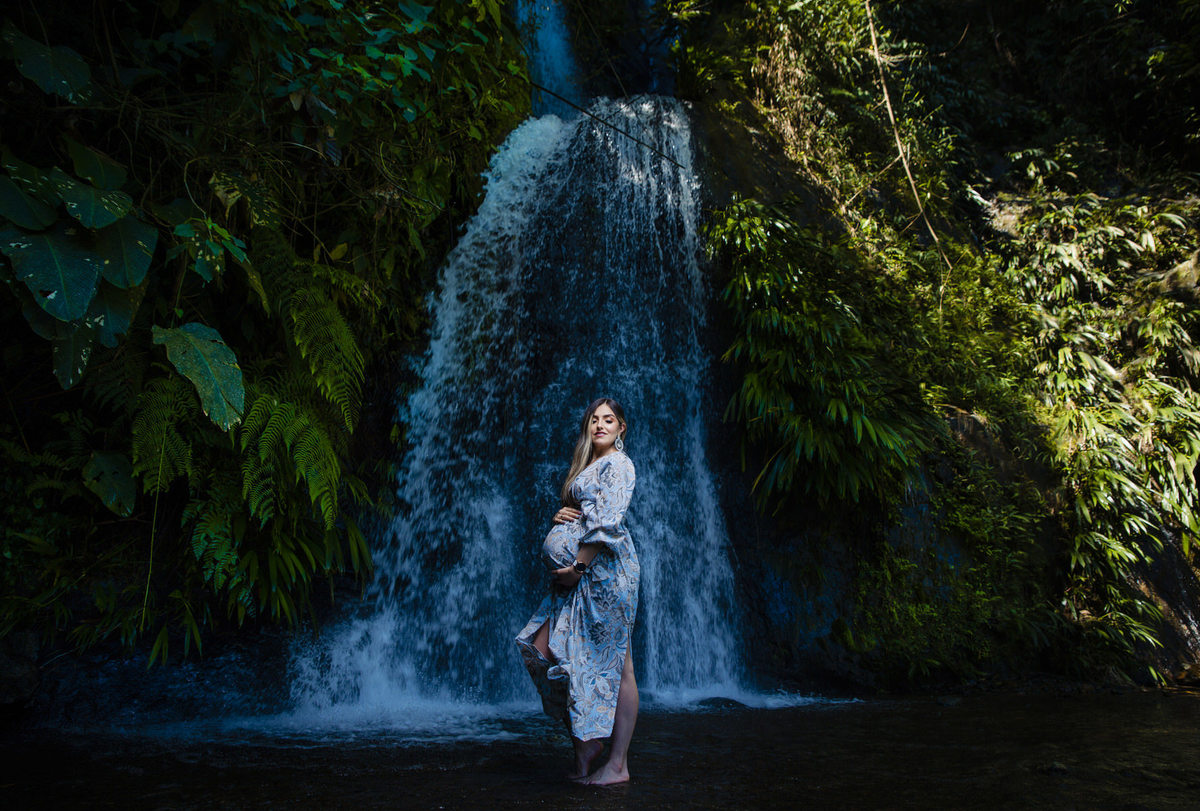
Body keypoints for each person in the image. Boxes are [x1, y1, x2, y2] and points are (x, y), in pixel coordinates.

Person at [515, 397, 640, 786]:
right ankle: (585, 745)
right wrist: (560, 516)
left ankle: (617, 764)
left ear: (621, 428)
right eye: (594, 421)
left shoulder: (620, 465)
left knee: (621, 668)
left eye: (608, 420)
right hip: (578, 579)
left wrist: (577, 567)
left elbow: (605, 525)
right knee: (543, 647)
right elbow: (585, 514)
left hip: (601, 574)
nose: (600, 425)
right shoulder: (588, 466)